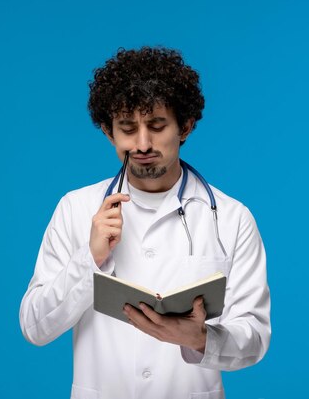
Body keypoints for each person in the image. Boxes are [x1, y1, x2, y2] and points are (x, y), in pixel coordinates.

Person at [19, 46, 271, 399]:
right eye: (127, 128)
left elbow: (255, 338)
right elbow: (35, 326)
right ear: (109, 133)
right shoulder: (75, 208)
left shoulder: (231, 218)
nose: (142, 144)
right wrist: (88, 261)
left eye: (156, 126)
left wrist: (199, 339)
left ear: (185, 126)